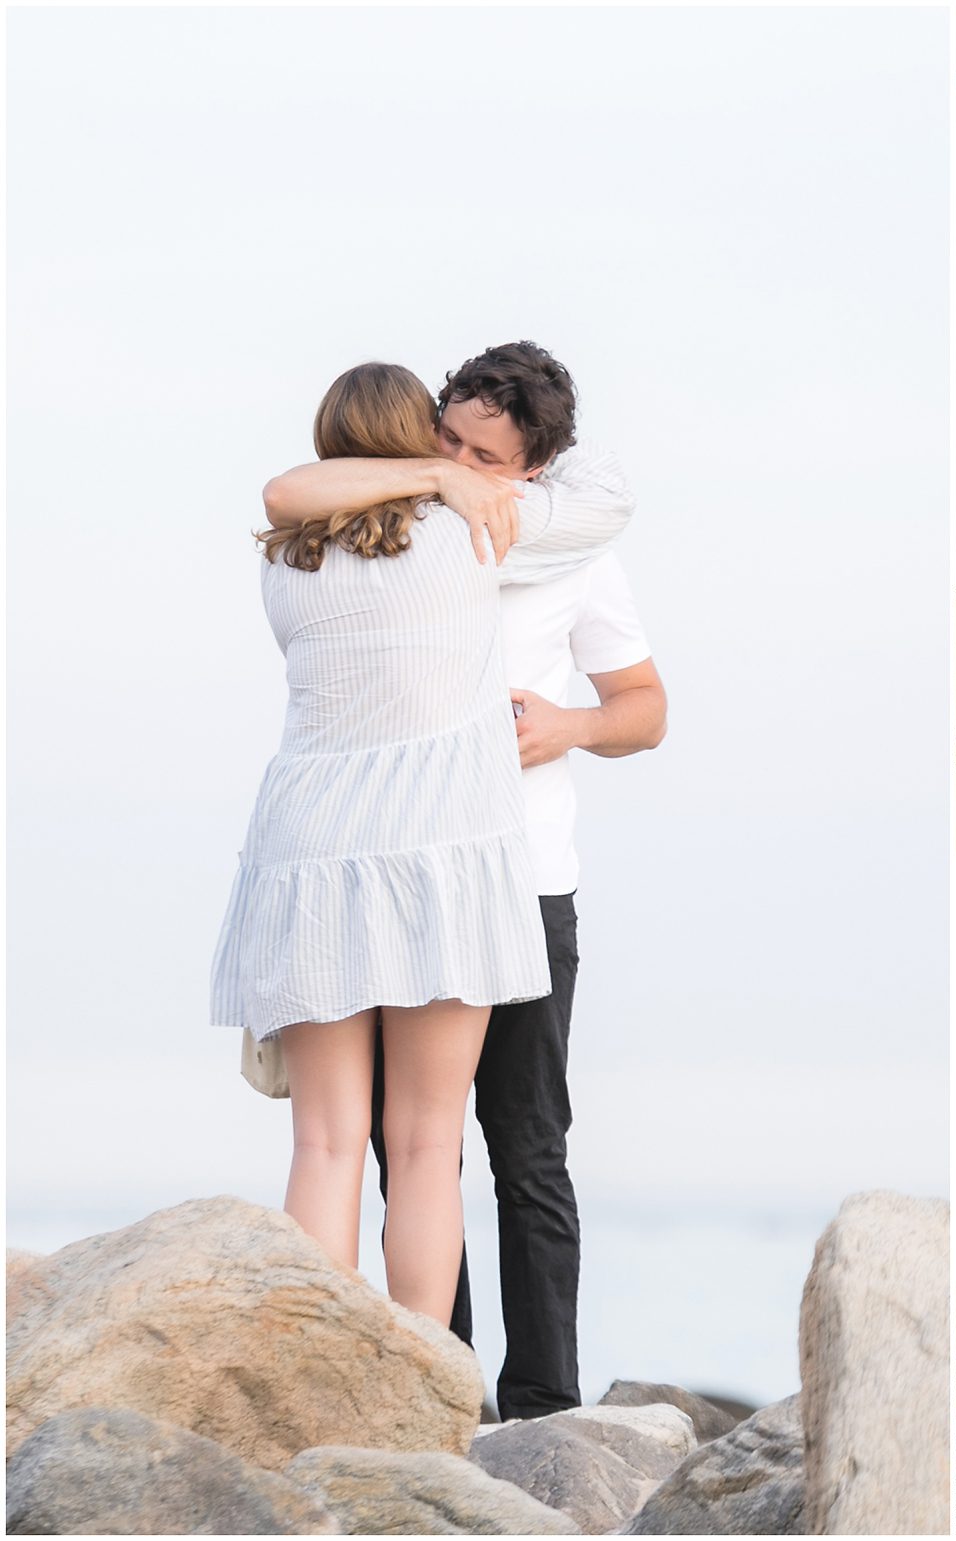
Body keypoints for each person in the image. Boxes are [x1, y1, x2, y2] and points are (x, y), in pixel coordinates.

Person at [262, 341, 664, 1420]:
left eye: (483, 453)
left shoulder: (318, 546)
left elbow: (645, 705)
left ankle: (534, 1399)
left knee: (509, 1150)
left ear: (531, 468)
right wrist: (442, 481)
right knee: (417, 1146)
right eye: (444, 437)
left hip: (482, 869)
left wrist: (572, 724)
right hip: (432, 867)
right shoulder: (453, 536)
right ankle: (435, 1386)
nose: (456, 461)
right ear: (420, 426)